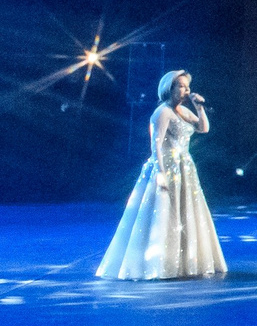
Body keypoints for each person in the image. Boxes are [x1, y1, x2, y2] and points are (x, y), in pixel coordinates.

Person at [96, 70, 227, 280]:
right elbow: (155, 144)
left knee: (185, 213)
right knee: (164, 212)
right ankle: (160, 263)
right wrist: (160, 172)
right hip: (168, 165)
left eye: (187, 87)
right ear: (170, 88)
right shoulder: (162, 112)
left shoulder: (183, 111)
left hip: (184, 167)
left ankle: (185, 262)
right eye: (182, 86)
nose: (186, 90)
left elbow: (203, 128)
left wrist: (199, 107)